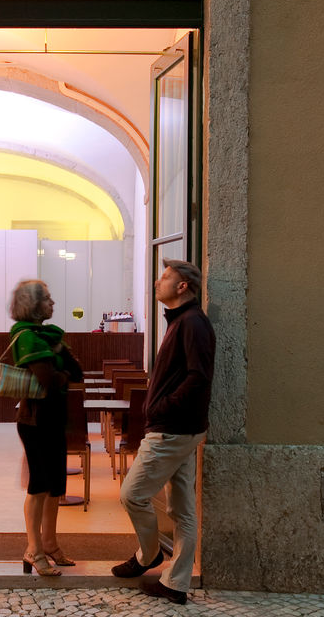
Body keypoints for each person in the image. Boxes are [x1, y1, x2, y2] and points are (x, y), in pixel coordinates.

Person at [114, 259, 215, 605]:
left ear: (183, 286)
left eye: (166, 277)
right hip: (182, 429)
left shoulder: (192, 324)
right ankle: (176, 583)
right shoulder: (183, 322)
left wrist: (161, 407)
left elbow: (197, 376)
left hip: (172, 430)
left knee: (132, 495)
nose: (158, 282)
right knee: (183, 509)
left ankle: (149, 555)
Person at [6, 278, 82, 576]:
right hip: (35, 421)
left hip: (53, 419)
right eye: (48, 299)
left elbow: (76, 371)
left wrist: (59, 361)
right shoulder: (26, 336)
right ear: (34, 305)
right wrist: (60, 365)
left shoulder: (48, 336)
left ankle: (50, 544)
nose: (53, 303)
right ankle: (33, 549)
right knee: (39, 486)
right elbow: (50, 381)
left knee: (54, 488)